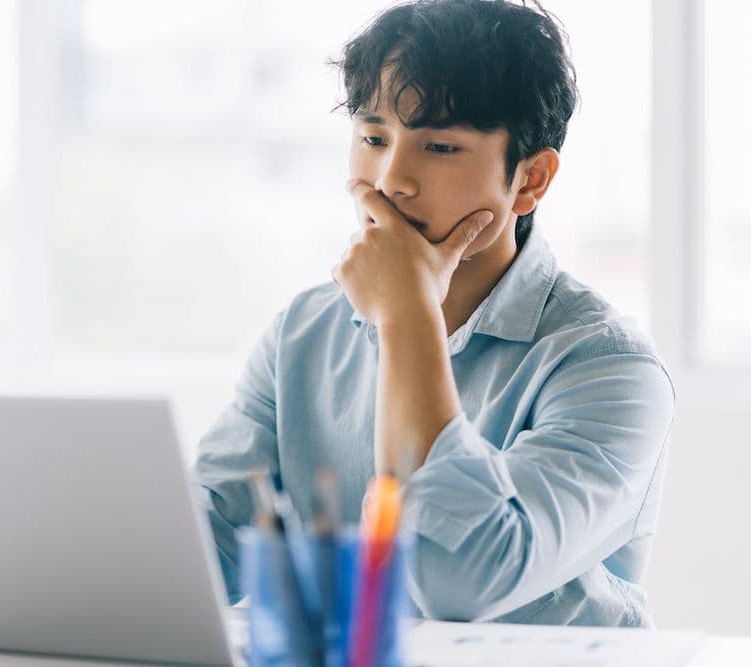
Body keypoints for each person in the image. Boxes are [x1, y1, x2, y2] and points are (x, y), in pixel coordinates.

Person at [192, 0, 674, 627]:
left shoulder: (610, 367)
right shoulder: (302, 334)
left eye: (440, 146)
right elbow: (201, 550)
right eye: (372, 138)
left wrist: (406, 316)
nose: (392, 181)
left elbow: (456, 579)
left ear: (530, 179)